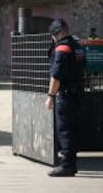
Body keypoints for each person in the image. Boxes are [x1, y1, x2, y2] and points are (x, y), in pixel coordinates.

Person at [45, 18, 85, 177]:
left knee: (65, 130)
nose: (53, 38)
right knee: (73, 129)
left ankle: (67, 166)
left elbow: (56, 76)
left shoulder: (62, 49)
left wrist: (50, 96)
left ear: (58, 33)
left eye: (53, 35)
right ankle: (72, 163)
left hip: (65, 95)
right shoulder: (77, 47)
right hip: (76, 93)